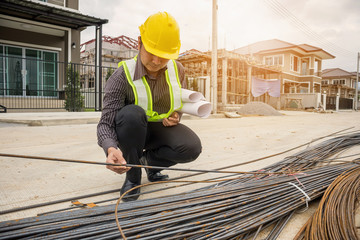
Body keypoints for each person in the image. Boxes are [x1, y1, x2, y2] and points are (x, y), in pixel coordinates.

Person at [97, 12, 202, 202]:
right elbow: (105, 124)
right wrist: (110, 148)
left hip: (159, 130)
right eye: (151, 52)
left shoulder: (178, 69)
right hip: (131, 133)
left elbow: (179, 100)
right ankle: (133, 178)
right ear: (139, 43)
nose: (156, 61)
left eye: (163, 56)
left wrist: (176, 114)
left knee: (191, 147)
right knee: (131, 114)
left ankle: (149, 164)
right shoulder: (122, 75)